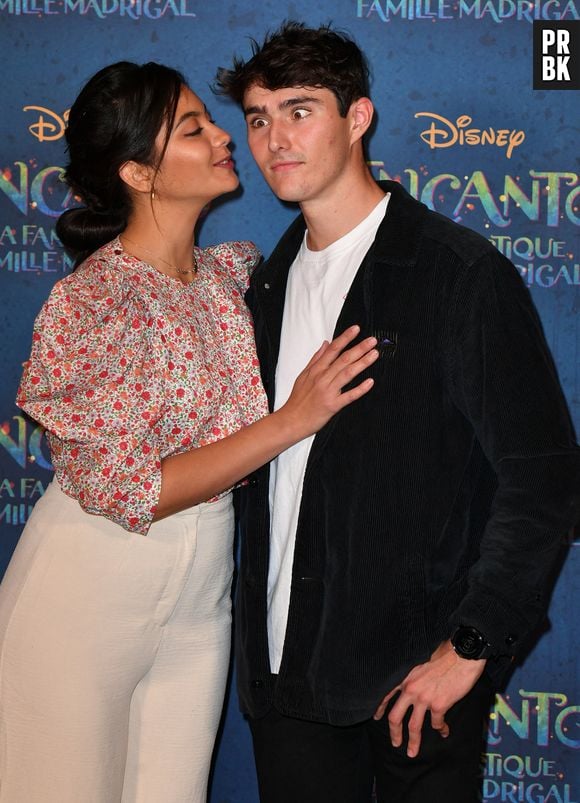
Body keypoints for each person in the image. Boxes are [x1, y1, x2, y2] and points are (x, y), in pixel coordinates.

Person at [215, 21, 580, 803]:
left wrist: (470, 646)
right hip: (289, 681)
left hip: (419, 681)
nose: (275, 137)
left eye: (300, 109)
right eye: (257, 116)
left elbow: (544, 480)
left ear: (358, 118)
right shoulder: (263, 288)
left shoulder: (459, 275)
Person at [0, 60, 379, 803]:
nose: (224, 137)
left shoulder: (231, 278)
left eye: (212, 119)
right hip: (84, 600)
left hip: (200, 611)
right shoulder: (91, 303)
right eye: (193, 128)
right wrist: (291, 421)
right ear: (139, 171)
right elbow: (136, 487)